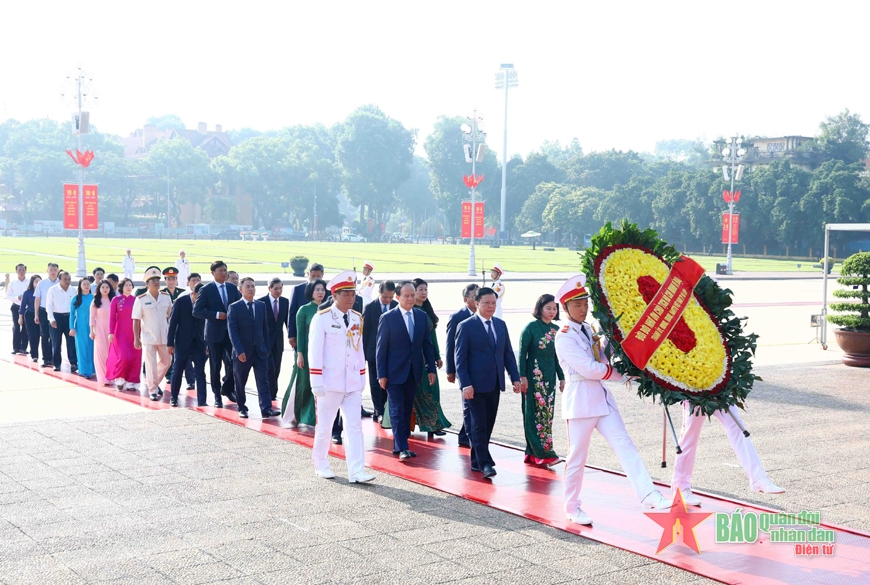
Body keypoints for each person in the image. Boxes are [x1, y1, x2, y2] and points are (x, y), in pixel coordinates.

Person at [554, 274, 672, 526]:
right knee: (577, 457)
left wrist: (614, 336)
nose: (583, 309)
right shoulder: (564, 336)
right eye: (577, 305)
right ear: (565, 308)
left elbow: (603, 357)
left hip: (602, 400)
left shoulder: (588, 329)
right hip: (581, 403)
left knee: (625, 445)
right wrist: (622, 375)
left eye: (585, 303)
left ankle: (648, 494)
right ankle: (572, 506)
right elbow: (590, 369)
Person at [308, 271, 375, 484]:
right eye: (346, 294)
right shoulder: (323, 318)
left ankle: (356, 471)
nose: (351, 298)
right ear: (335, 295)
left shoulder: (357, 317)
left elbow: (359, 350)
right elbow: (314, 350)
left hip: (352, 382)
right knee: (325, 426)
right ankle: (320, 463)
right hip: (329, 382)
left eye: (353, 293)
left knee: (354, 426)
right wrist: (316, 380)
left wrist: (362, 376)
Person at [454, 287, 521, 479]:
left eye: (494, 303)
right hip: (474, 386)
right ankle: (485, 463)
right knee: (478, 425)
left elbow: (507, 354)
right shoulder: (466, 326)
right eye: (486, 303)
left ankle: (477, 460)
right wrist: (465, 384)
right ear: (476, 304)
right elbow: (461, 359)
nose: (491, 307)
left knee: (488, 423)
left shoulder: (500, 325)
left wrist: (514, 377)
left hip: (494, 383)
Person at [671, 406, 784, 506]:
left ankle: (758, 478)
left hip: (720, 390)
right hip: (692, 392)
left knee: (738, 428)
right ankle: (680, 486)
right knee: (689, 436)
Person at [376, 281, 436, 461]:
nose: (410, 298)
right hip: (394, 373)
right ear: (397, 297)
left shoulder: (421, 316)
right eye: (406, 296)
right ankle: (402, 446)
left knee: (406, 409)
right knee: (396, 409)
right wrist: (382, 375)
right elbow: (381, 349)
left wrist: (431, 369)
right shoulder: (388, 318)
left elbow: (427, 345)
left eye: (412, 295)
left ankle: (399, 444)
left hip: (414, 372)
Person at [518, 294, 564, 467]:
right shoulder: (530, 328)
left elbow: (557, 357)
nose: (552, 311)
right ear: (540, 309)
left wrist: (562, 377)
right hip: (533, 377)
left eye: (555, 308)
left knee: (546, 415)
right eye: (548, 308)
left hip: (550, 378)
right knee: (532, 413)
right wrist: (522, 377)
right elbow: (522, 354)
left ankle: (532, 452)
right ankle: (544, 453)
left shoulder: (556, 330)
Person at [227, 277, 281, 419]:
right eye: (248, 286)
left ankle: (266, 408)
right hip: (243, 352)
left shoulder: (261, 306)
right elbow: (233, 332)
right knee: (240, 380)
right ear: (241, 289)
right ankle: (242, 407)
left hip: (260, 351)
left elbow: (264, 329)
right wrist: (239, 351)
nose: (251, 289)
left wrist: (267, 349)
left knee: (263, 380)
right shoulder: (234, 307)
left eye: (253, 286)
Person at [193, 260, 241, 406]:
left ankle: (226, 388)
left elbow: (240, 305)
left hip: (231, 333)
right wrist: (215, 315)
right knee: (215, 366)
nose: (223, 273)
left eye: (225, 270)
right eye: (220, 270)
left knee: (235, 362)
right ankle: (217, 397)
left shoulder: (232, 289)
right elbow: (197, 311)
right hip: (214, 334)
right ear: (213, 273)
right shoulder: (207, 290)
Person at [281, 278, 327, 426]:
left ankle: (317, 416)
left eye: (322, 290)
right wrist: (300, 354)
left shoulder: (329, 309)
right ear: (311, 292)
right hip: (307, 353)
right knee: (304, 384)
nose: (320, 293)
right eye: (317, 290)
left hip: (325, 354)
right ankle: (300, 414)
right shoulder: (304, 310)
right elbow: (300, 334)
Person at [411, 278, 450, 437]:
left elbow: (432, 336)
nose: (423, 292)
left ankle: (433, 424)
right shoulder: (408, 311)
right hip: (413, 359)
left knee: (431, 390)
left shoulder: (427, 312)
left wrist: (436, 355)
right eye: (420, 289)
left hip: (427, 358)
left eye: (425, 289)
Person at [133, 267, 173, 401]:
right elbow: (136, 320)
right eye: (153, 280)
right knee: (150, 365)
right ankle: (153, 390)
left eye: (157, 279)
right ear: (147, 284)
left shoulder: (166, 297)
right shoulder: (141, 299)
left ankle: (154, 382)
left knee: (167, 361)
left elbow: (170, 316)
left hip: (164, 336)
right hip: (149, 337)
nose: (156, 282)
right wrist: (136, 339)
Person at [446, 283, 478, 448]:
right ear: (466, 299)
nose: (478, 299)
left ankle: (466, 434)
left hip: (479, 367)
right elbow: (451, 345)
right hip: (463, 367)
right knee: (468, 402)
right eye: (474, 296)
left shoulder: (484, 315)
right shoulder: (457, 317)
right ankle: (466, 436)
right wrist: (450, 370)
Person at [167, 282, 208, 407]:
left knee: (200, 371)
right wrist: (170, 343)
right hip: (182, 342)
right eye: (197, 297)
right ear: (192, 293)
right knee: (178, 369)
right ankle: (173, 397)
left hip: (199, 343)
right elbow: (172, 323)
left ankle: (202, 400)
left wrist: (208, 344)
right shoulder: (181, 302)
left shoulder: (206, 303)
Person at [361, 280, 397, 421]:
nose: (388, 300)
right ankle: (378, 410)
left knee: (390, 381)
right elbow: (365, 333)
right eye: (385, 297)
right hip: (373, 352)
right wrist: (362, 355)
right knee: (375, 382)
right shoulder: (370, 308)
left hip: (392, 353)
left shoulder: (396, 306)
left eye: (390, 297)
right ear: (379, 293)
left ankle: (388, 409)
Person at [106, 278, 142, 391]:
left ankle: (131, 381)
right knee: (123, 356)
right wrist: (111, 332)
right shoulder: (116, 300)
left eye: (130, 285)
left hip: (135, 332)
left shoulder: (137, 299)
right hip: (120, 332)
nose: (128, 287)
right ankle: (120, 379)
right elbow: (112, 318)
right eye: (126, 285)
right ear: (121, 287)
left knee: (134, 357)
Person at [259, 277, 289, 401]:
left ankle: (273, 393)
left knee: (276, 368)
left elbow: (288, 322)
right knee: (268, 369)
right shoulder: (261, 302)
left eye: (280, 288)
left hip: (278, 342)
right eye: (276, 288)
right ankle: (268, 394)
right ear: (269, 288)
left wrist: (291, 336)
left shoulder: (285, 302)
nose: (278, 291)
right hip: (265, 341)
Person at [288, 263, 328, 350]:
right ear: (308, 274)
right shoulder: (298, 289)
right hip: (302, 333)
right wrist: (291, 335)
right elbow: (292, 312)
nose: (315, 278)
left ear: (323, 275)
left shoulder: (327, 291)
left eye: (318, 276)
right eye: (313, 276)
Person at [45, 271, 78, 373]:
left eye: (69, 279)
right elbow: (49, 306)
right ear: (60, 279)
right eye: (65, 279)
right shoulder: (53, 290)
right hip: (57, 317)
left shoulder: (73, 290)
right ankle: (57, 363)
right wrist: (52, 319)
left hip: (69, 317)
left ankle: (73, 363)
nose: (67, 281)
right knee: (56, 342)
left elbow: (76, 306)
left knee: (71, 341)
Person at [33, 262, 60, 367]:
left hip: (57, 312)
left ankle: (55, 359)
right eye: (51, 270)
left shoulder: (61, 282)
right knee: (45, 335)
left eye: (55, 270)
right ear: (47, 271)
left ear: (58, 271)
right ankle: (46, 358)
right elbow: (37, 299)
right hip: (44, 311)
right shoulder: (42, 283)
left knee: (56, 336)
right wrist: (36, 314)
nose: (53, 272)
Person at [90, 280, 115, 385]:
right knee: (101, 353)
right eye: (103, 287)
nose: (105, 289)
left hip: (111, 330)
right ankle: (103, 377)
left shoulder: (113, 300)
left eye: (107, 287)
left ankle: (111, 376)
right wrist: (92, 331)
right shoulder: (95, 301)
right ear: (99, 289)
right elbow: (92, 318)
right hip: (99, 330)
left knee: (111, 353)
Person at [69, 279, 95, 378]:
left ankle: (93, 369)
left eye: (88, 284)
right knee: (82, 348)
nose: (86, 286)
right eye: (84, 284)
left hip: (92, 325)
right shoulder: (75, 298)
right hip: (80, 326)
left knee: (92, 347)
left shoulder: (94, 298)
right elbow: (72, 314)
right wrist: (72, 327)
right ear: (80, 286)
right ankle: (84, 371)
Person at [7, 263, 29, 355]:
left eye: (23, 270)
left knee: (26, 327)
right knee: (16, 327)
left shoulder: (29, 282)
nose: (21, 272)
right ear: (16, 271)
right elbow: (8, 296)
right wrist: (17, 297)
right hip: (16, 306)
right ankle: (16, 347)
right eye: (19, 270)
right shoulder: (12, 283)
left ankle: (23, 347)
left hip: (27, 308)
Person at [19, 275, 42, 363]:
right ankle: (35, 355)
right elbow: (22, 306)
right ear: (32, 283)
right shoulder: (27, 293)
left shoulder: (43, 292)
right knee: (32, 335)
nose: (38, 283)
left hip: (41, 315)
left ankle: (34, 351)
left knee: (38, 335)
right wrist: (20, 317)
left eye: (39, 282)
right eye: (36, 282)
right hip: (29, 315)